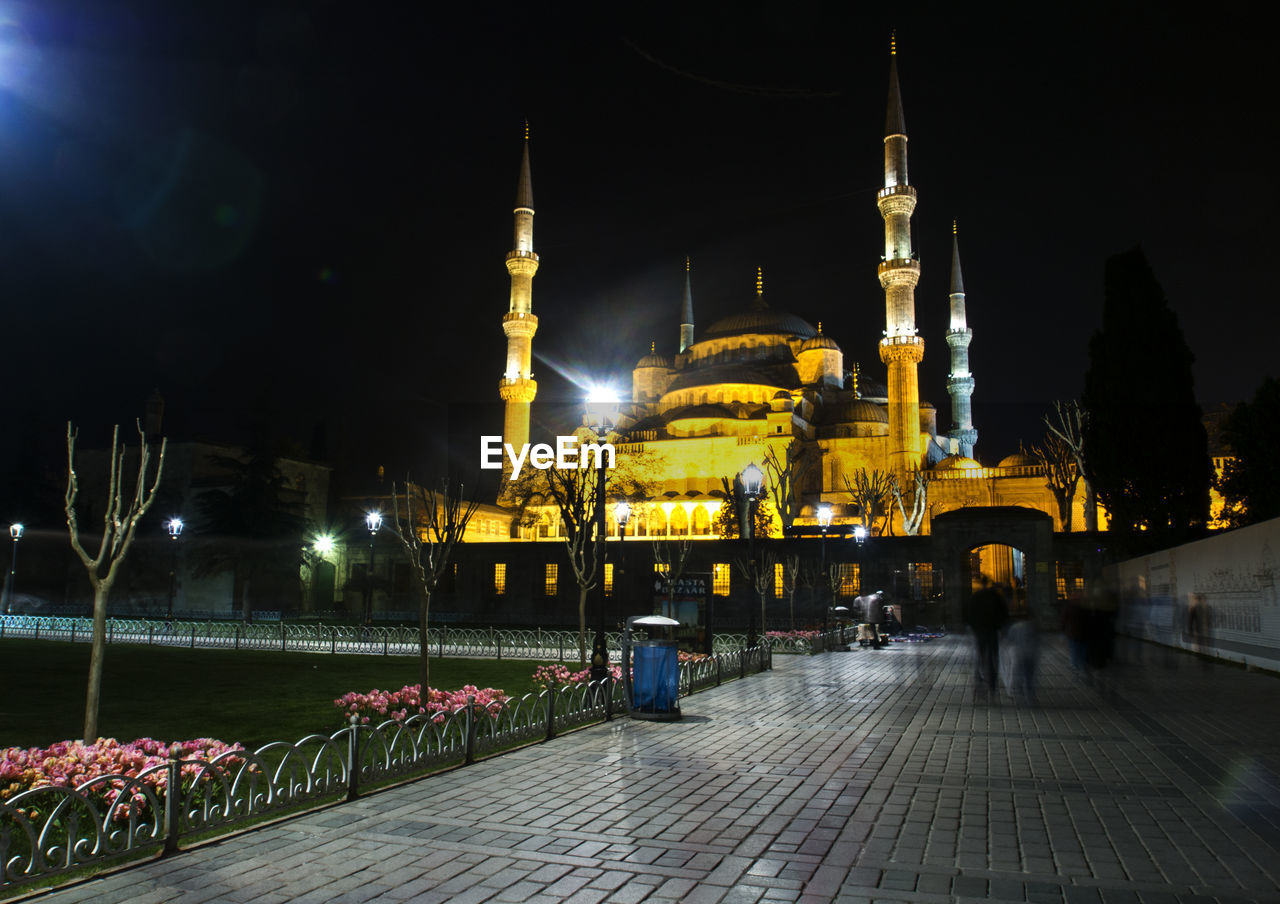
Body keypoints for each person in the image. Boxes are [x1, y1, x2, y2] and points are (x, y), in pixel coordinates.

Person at [964, 575, 1008, 695]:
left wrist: (973, 626)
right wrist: (1001, 626)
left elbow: (969, 612)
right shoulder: (995, 596)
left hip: (980, 630)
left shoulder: (976, 597)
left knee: (980, 654)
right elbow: (1004, 612)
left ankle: (979, 681)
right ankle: (992, 683)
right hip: (992, 630)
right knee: (993, 656)